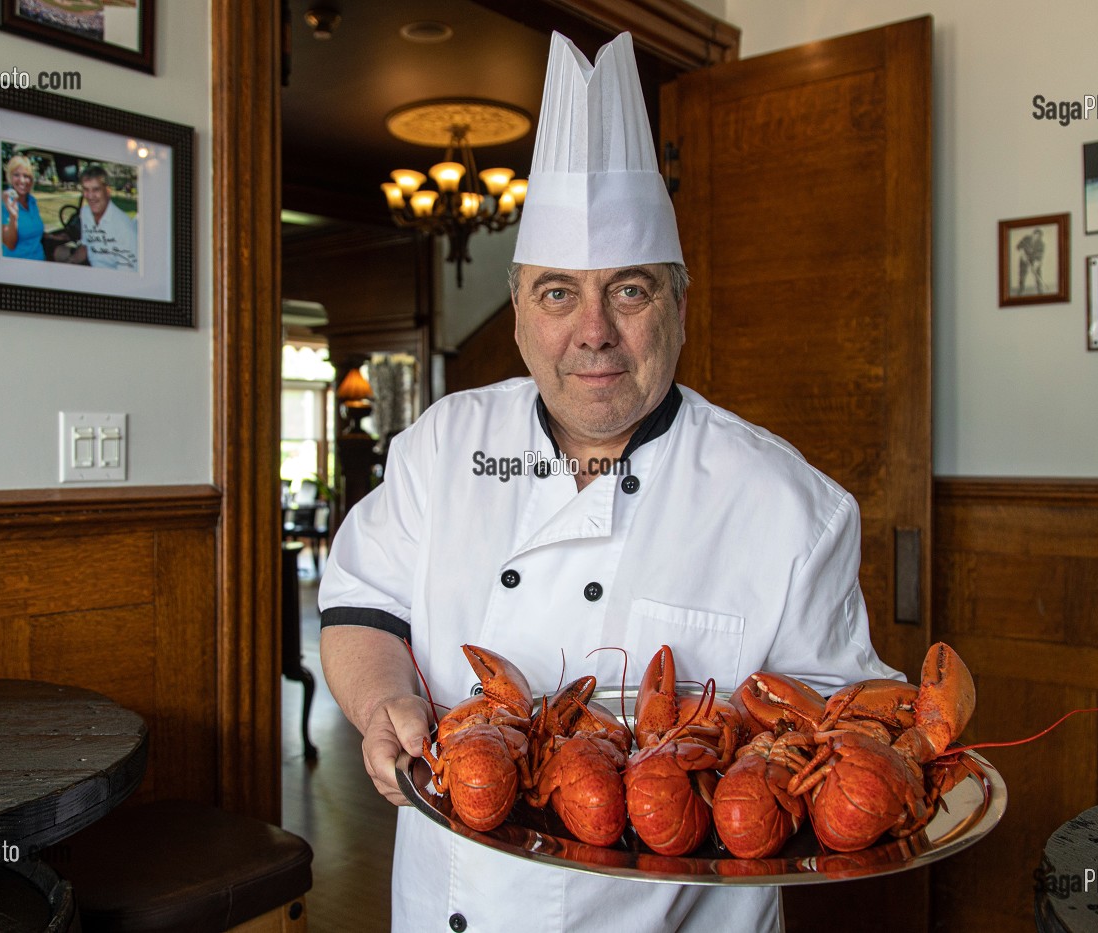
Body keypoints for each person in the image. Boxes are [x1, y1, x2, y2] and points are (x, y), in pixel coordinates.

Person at [318, 31, 901, 933]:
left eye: (628, 291)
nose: (592, 332)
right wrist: (384, 699)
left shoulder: (794, 508)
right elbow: (363, 604)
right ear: (516, 314)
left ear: (678, 303)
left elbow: (838, 731)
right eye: (557, 293)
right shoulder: (444, 444)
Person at [76, 164, 138, 270]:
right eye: (86, 189)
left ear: (108, 191)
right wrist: (69, 261)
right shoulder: (85, 212)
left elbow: (126, 275)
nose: (90, 196)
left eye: (96, 189)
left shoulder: (124, 228)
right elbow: (85, 246)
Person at [0, 154, 45, 261]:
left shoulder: (32, 201)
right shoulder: (4, 205)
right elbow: (10, 244)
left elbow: (32, 228)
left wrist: (55, 237)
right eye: (16, 175)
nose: (22, 180)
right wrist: (13, 217)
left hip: (40, 262)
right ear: (10, 178)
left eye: (26, 176)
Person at [1015, 227, 1045, 294]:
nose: (1036, 237)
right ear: (1033, 234)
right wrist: (1022, 253)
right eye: (1035, 235)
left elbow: (1040, 256)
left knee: (1038, 273)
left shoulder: (1041, 244)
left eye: (1039, 236)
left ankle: (1040, 290)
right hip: (1024, 258)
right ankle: (1021, 289)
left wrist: (1036, 264)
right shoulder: (1026, 238)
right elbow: (1018, 246)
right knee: (1022, 274)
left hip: (1034, 260)